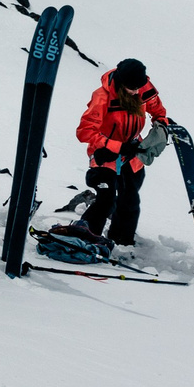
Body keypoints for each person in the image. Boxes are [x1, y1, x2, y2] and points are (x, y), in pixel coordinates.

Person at [69, 58, 173, 246]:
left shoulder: (141, 85)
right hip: (105, 154)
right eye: (131, 88)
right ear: (121, 82)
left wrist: (161, 125)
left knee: (130, 202)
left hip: (132, 154)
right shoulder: (102, 97)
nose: (136, 92)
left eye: (138, 88)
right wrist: (115, 146)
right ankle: (83, 239)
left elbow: (158, 110)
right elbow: (84, 131)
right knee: (106, 200)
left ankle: (121, 243)